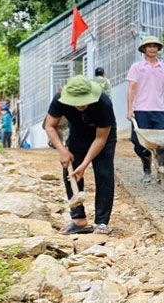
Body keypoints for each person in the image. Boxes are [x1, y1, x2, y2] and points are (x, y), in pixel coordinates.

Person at [44, 75, 117, 235]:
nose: (81, 104)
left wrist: (85, 164)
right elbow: (50, 126)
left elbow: (100, 138)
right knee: (69, 172)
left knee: (104, 172)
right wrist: (62, 150)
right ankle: (78, 219)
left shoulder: (103, 103)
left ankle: (102, 222)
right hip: (78, 134)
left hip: (103, 135)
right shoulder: (59, 100)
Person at [127, 36, 164, 183]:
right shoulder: (136, 67)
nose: (152, 48)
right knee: (139, 144)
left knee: (162, 143)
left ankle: (161, 170)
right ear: (143, 49)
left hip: (158, 110)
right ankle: (147, 169)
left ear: (158, 49)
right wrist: (130, 109)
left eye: (155, 46)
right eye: (149, 46)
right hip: (140, 110)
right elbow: (131, 88)